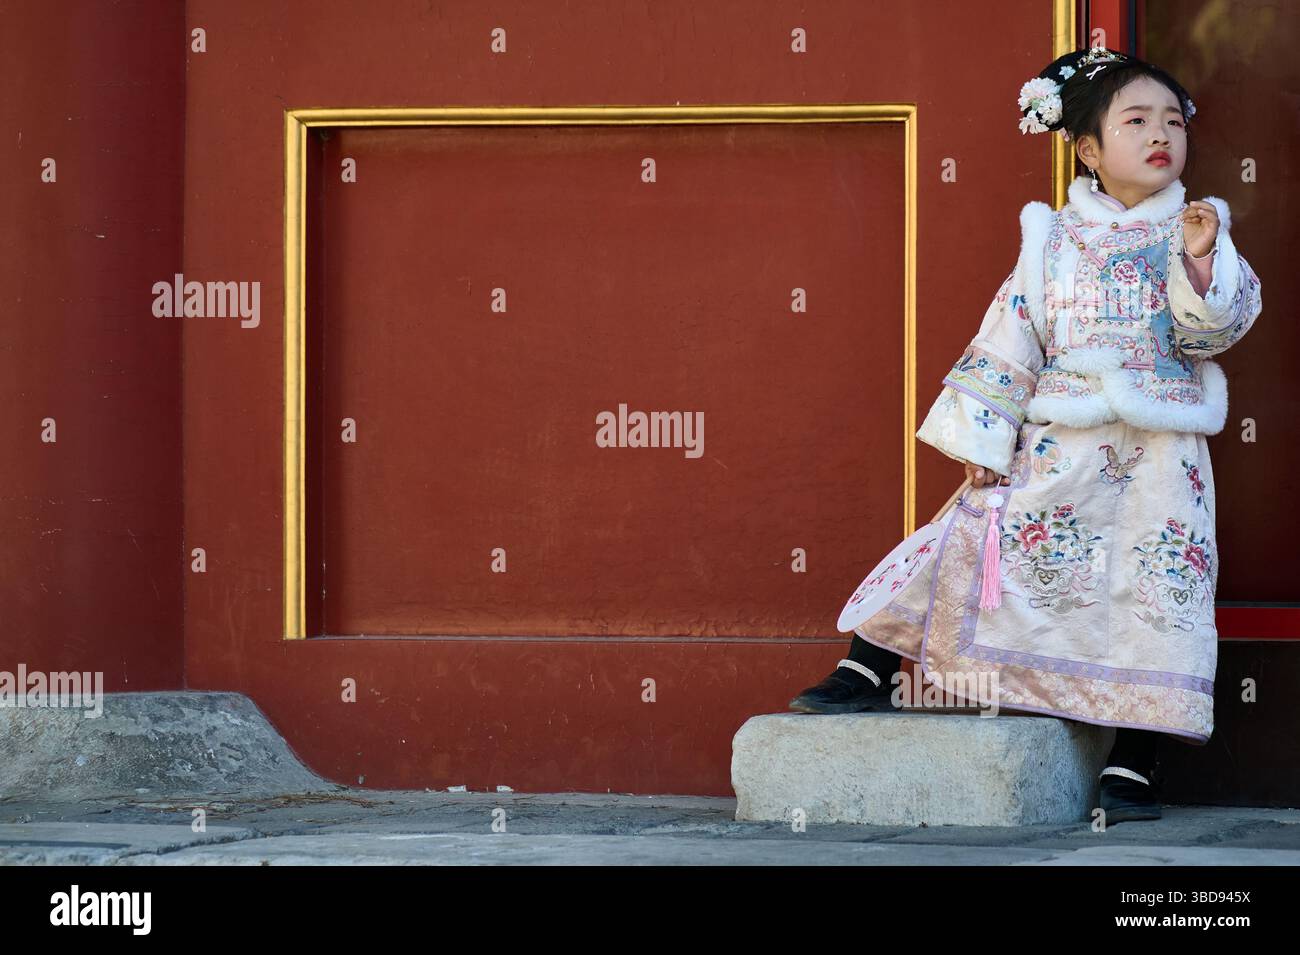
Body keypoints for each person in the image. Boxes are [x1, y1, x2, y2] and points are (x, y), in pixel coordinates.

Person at [789, 47, 1263, 825]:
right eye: (1136, 121)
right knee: (973, 536)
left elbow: (1213, 330)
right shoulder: (1052, 238)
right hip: (1058, 436)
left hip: (1160, 450)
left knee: (1154, 583)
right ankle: (870, 663)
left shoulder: (1193, 228)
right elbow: (1014, 335)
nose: (1159, 136)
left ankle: (1137, 755)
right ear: (1087, 148)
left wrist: (1205, 258)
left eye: (1172, 122)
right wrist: (985, 439)